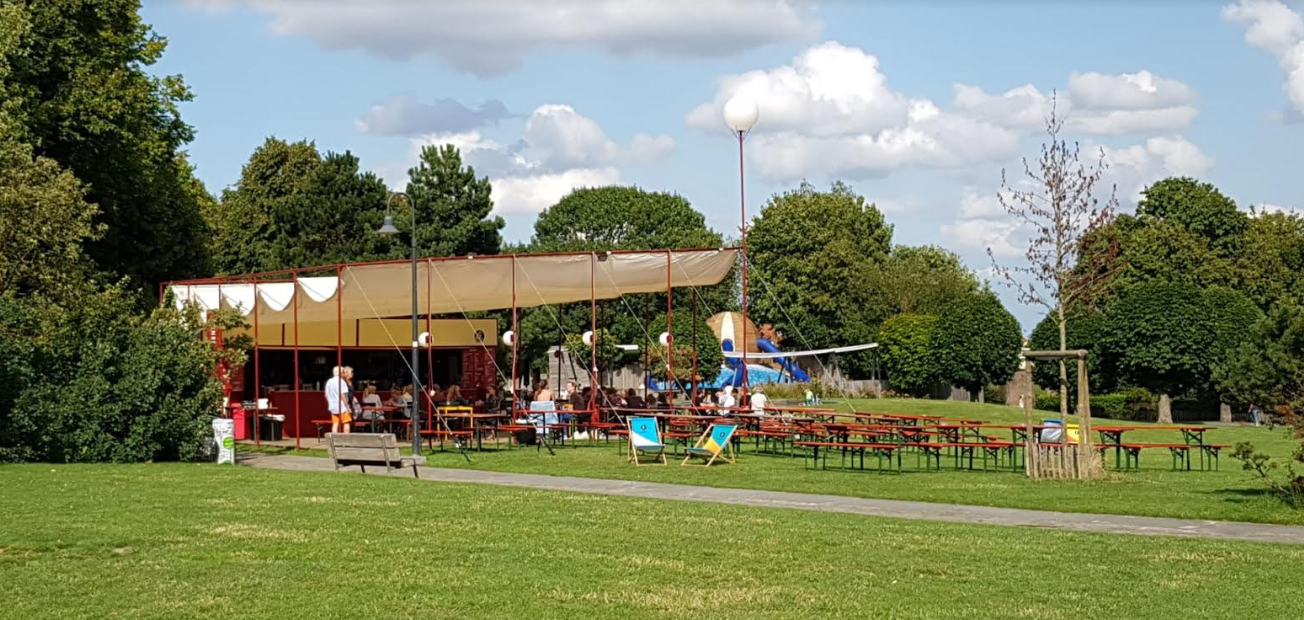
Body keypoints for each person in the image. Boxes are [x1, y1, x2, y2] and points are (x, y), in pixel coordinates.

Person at [325, 366, 352, 434]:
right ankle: (346, 441)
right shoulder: (341, 381)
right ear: (340, 373)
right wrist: (347, 406)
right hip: (342, 407)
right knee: (346, 423)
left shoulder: (329, 381)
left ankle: (334, 441)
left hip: (333, 407)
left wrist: (330, 403)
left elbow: (326, 395)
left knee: (335, 424)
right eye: (343, 373)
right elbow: (342, 395)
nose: (344, 374)